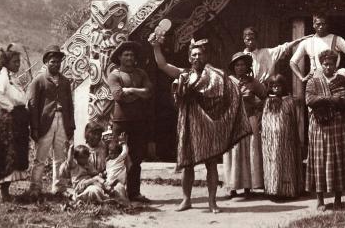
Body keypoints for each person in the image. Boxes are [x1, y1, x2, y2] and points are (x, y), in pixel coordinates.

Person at [150, 35, 250, 212]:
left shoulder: (216, 76)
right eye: (194, 55)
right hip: (188, 123)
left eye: (200, 55)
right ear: (189, 58)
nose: (197, 58)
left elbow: (231, 90)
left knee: (211, 163)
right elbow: (162, 65)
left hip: (209, 124)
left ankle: (212, 201)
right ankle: (186, 199)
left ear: (206, 57)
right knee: (188, 164)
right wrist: (156, 47)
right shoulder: (184, 74)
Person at [305, 49, 345, 211]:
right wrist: (329, 99)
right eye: (325, 64)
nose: (328, 67)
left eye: (331, 64)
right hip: (319, 125)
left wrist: (322, 100)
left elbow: (342, 101)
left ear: (335, 65)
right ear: (321, 65)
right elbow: (309, 100)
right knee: (319, 160)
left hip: (337, 124)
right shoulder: (313, 81)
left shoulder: (341, 80)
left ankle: (337, 198)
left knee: (337, 159)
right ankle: (320, 199)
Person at [107, 40, 153, 203]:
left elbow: (149, 92)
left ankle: (134, 193)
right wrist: (138, 94)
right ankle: (115, 192)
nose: (129, 57)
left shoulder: (141, 74)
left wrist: (132, 90)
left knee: (136, 158)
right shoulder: (114, 75)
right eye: (126, 54)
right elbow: (118, 96)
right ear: (119, 57)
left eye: (132, 55)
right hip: (121, 121)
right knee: (117, 156)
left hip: (139, 121)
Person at [28, 44, 75, 198]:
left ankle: (59, 188)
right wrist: (34, 127)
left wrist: (71, 125)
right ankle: (35, 187)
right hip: (45, 121)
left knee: (60, 156)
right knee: (40, 156)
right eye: (52, 62)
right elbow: (33, 106)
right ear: (46, 62)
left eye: (58, 62)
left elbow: (69, 104)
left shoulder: (65, 81)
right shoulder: (39, 80)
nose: (55, 64)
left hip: (62, 119)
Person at [0, 44, 30, 201]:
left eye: (19, 62)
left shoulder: (11, 78)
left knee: (14, 154)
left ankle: (6, 192)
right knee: (7, 155)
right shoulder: (3, 78)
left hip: (16, 120)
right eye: (15, 62)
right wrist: (10, 107)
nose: (18, 64)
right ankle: (4, 193)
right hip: (9, 121)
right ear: (7, 63)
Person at [223, 52, 266, 196]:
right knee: (233, 153)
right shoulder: (228, 81)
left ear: (247, 66)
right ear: (233, 67)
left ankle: (248, 186)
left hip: (249, 120)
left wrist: (258, 112)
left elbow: (265, 97)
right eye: (237, 65)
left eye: (242, 65)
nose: (240, 68)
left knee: (249, 152)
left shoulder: (253, 82)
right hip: (233, 122)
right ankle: (233, 186)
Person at [261, 75, 303, 198]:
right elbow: (265, 119)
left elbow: (294, 121)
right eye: (273, 86)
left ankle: (288, 191)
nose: (276, 89)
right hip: (271, 140)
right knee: (273, 162)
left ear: (283, 86)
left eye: (278, 86)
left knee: (286, 163)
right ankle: (273, 189)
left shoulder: (288, 101)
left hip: (286, 139)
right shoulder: (268, 101)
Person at [290, 14, 345, 83]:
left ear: (327, 25)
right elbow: (293, 62)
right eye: (318, 24)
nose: (321, 27)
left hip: (333, 80)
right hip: (315, 80)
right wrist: (301, 78)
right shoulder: (307, 42)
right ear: (313, 25)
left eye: (323, 24)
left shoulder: (337, 39)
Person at [242, 26, 309, 85]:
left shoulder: (266, 53)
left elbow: (284, 47)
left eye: (252, 39)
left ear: (256, 39)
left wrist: (299, 40)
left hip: (264, 89)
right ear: (244, 40)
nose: (250, 42)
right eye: (248, 39)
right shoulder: (241, 57)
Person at [104, 136, 130, 204]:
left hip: (118, 180)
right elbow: (108, 170)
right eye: (110, 151)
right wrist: (104, 173)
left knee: (119, 189)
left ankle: (122, 201)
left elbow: (125, 152)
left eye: (114, 152)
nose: (112, 154)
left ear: (118, 153)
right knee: (107, 187)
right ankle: (110, 199)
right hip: (110, 180)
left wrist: (123, 143)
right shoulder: (108, 161)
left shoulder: (119, 159)